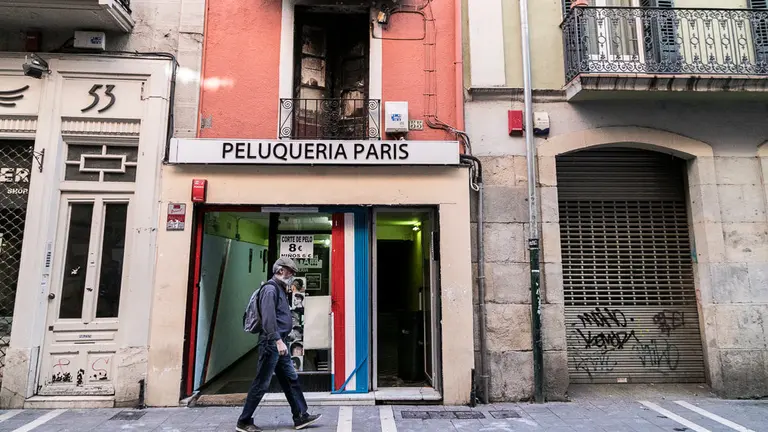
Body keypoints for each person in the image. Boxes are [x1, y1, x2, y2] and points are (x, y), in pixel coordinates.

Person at [236, 257, 322, 432]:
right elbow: (268, 319)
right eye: (290, 271)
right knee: (262, 382)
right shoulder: (270, 289)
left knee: (291, 379)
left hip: (279, 342)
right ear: (281, 270)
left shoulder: (279, 289)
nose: (292, 275)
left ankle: (300, 416)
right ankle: (244, 421)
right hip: (272, 343)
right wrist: (278, 340)